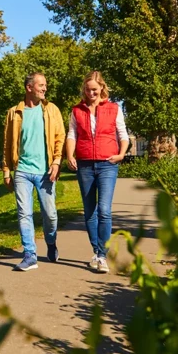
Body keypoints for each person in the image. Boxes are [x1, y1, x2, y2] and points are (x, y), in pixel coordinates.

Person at [66, 71, 129, 274]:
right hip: (84, 165)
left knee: (104, 210)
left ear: (101, 88)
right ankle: (96, 250)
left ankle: (102, 255)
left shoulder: (113, 108)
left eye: (94, 89)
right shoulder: (77, 111)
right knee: (89, 211)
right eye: (87, 89)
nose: (91, 92)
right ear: (84, 90)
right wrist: (70, 155)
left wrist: (121, 154)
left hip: (108, 164)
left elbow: (123, 134)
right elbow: (72, 135)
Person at [3, 72, 66, 271]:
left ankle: (51, 242)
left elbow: (60, 138)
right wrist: (6, 171)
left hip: (46, 172)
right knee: (24, 213)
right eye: (40, 85)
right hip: (22, 170)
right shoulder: (14, 113)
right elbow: (7, 144)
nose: (44, 88)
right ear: (29, 87)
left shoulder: (51, 110)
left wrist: (56, 162)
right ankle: (29, 254)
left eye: (45, 85)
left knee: (50, 215)